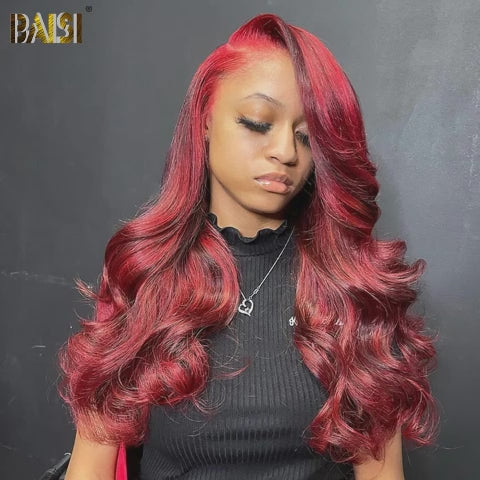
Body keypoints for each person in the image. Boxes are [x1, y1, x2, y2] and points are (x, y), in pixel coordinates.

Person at [58, 12, 440, 480]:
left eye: (307, 137)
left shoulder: (353, 289)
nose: (286, 151)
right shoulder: (144, 277)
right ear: (204, 122)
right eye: (258, 123)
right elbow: (89, 470)